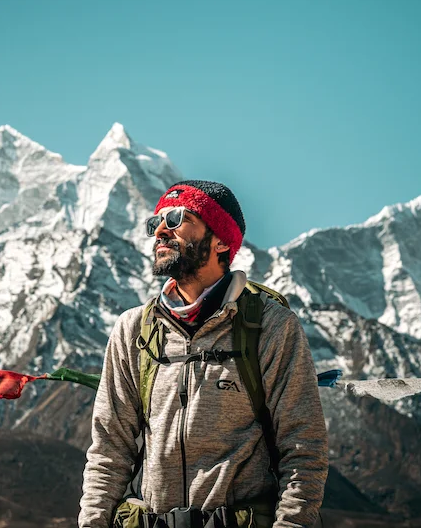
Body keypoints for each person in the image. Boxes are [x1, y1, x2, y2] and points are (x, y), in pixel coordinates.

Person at [79, 180, 329, 528]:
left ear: (222, 241)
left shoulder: (270, 326)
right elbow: (109, 448)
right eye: (156, 222)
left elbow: (303, 448)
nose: (160, 231)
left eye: (177, 219)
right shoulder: (134, 330)